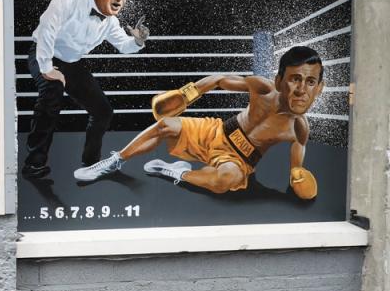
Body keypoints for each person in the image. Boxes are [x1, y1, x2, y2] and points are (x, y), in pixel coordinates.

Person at [73, 46, 324, 199]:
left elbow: (297, 159)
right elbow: (219, 79)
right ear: (280, 80)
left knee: (224, 181)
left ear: (319, 88)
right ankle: (114, 162)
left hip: (238, 160)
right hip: (216, 131)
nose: (302, 89)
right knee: (165, 125)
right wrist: (186, 94)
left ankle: (177, 171)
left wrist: (297, 174)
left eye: (310, 82)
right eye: (295, 79)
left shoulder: (298, 127)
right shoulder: (263, 88)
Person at [22, 0, 150, 179]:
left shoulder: (110, 21)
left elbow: (123, 45)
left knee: (103, 111)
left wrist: (138, 41)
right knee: (51, 92)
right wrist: (46, 67)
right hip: (44, 52)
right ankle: (34, 165)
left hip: (71, 63)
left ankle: (91, 163)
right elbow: (47, 29)